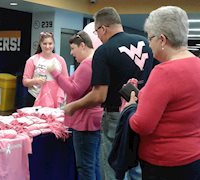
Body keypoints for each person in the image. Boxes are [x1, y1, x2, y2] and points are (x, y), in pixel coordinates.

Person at [64, 7, 154, 180]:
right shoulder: (145, 43)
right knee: (136, 166)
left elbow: (99, 96)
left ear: (103, 28)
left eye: (97, 33)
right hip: (142, 111)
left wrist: (73, 106)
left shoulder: (104, 51)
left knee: (112, 167)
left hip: (116, 115)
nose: (98, 37)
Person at [125, 6, 200, 180]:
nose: (149, 45)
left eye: (150, 38)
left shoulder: (163, 72)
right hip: (193, 157)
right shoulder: (197, 65)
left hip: (164, 162)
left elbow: (142, 125)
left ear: (162, 39)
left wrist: (129, 108)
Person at [47, 31, 103, 180]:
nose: (71, 53)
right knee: (94, 164)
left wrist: (55, 74)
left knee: (85, 166)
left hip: (84, 122)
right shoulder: (95, 61)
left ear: (83, 46)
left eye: (73, 49)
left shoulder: (87, 64)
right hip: (93, 120)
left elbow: (75, 90)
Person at [22, 32, 68, 108]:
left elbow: (66, 81)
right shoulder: (32, 60)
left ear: (53, 44)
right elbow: (25, 81)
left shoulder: (60, 60)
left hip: (54, 98)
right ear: (40, 44)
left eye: (50, 44)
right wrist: (36, 81)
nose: (47, 46)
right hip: (34, 96)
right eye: (45, 43)